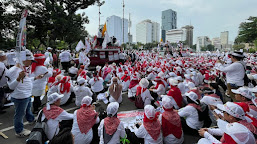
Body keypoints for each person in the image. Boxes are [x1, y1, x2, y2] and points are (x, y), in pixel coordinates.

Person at [7, 49, 37, 137]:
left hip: (26, 95)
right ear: (25, 60)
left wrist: (35, 78)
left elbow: (26, 80)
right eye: (30, 61)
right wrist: (18, 78)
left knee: (27, 109)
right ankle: (19, 131)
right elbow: (10, 87)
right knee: (19, 115)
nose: (31, 63)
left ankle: (31, 119)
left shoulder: (22, 69)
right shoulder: (13, 70)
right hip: (20, 97)